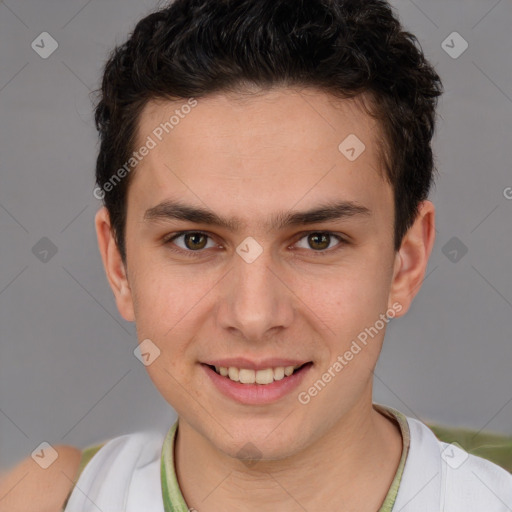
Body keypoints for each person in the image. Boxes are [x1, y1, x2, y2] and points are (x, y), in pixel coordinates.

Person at [2, 0, 511, 510]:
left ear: (407, 260)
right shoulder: (49, 496)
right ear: (120, 268)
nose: (253, 316)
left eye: (318, 240)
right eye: (194, 240)